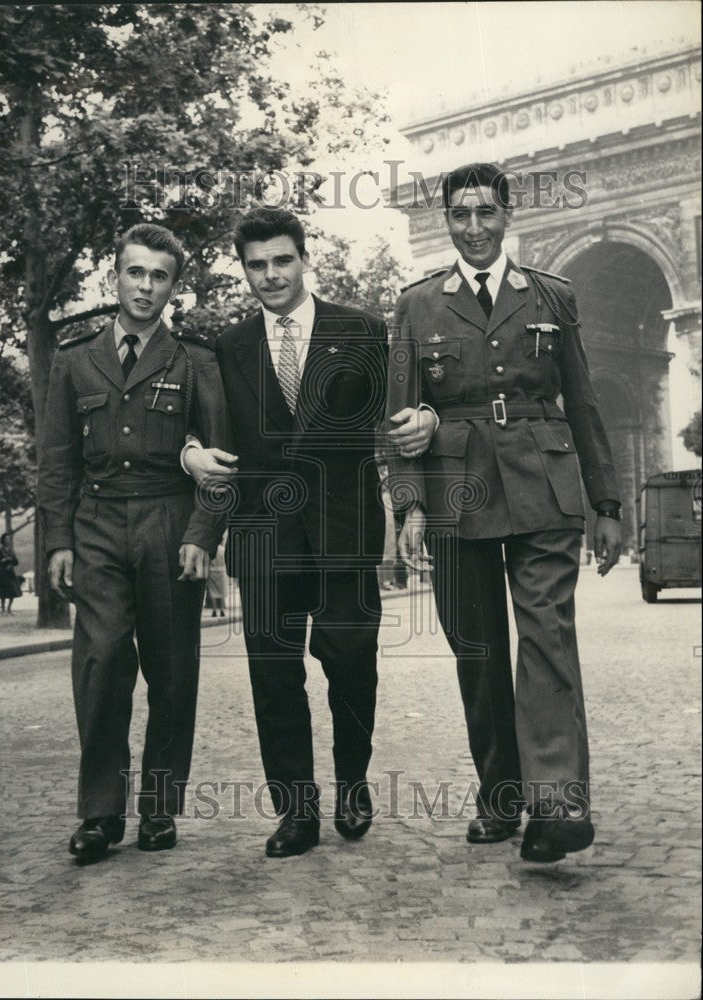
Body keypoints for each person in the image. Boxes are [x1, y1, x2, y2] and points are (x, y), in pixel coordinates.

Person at [387, 163, 622, 863]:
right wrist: (408, 504)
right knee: (479, 650)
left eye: (486, 213)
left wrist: (606, 501)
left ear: (508, 215)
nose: (474, 227)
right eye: (460, 215)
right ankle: (500, 796)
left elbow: (581, 401)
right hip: (456, 487)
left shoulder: (551, 295)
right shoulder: (418, 305)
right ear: (445, 222)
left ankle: (557, 805)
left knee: (547, 636)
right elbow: (397, 418)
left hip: (545, 486)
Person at [183, 207, 388, 857]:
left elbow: (396, 422)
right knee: (274, 678)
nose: (271, 276)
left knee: (352, 667)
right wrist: (193, 454)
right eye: (256, 265)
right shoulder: (229, 349)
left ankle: (353, 781)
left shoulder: (362, 331)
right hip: (265, 535)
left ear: (304, 257)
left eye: (282, 260)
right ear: (244, 270)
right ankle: (296, 812)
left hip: (345, 531)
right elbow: (215, 441)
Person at [37, 223, 232, 864]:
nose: (145, 286)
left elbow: (219, 459)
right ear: (113, 277)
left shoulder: (196, 361)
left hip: (170, 524)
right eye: (134, 272)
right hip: (96, 526)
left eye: (159, 276)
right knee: (100, 667)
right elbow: (58, 461)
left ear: (174, 287)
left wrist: (204, 535)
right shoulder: (73, 358)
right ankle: (99, 813)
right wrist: (58, 540)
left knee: (172, 672)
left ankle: (159, 810)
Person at [0, 533, 21, 613]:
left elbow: (16, 562)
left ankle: (9, 608)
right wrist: (4, 560)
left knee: (12, 590)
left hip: (10, 573)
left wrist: (12, 562)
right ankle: (3, 609)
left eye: (9, 539)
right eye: (6, 539)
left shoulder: (11, 550)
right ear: (3, 540)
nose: (8, 540)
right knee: (3, 591)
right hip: (2, 573)